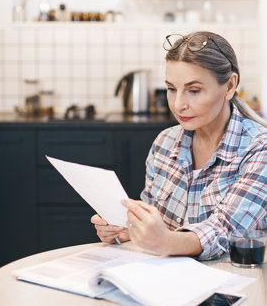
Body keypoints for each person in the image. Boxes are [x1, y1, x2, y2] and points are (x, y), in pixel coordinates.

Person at [91, 31, 267, 260]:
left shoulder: (259, 148)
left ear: (230, 86)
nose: (178, 104)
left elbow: (224, 229)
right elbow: (155, 223)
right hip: (171, 282)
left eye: (194, 90)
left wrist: (165, 241)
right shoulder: (164, 143)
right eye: (172, 89)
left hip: (236, 285)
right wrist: (128, 230)